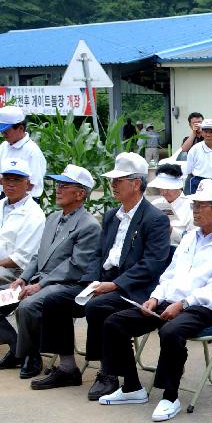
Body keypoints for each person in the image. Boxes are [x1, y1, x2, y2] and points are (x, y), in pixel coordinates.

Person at [97, 180, 212, 422]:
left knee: (171, 330)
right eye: (193, 206)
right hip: (172, 300)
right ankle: (132, 388)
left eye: (200, 206)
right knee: (115, 322)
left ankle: (170, 396)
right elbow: (170, 274)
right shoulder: (190, 238)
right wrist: (155, 297)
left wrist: (184, 303)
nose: (194, 211)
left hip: (207, 307)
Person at [38, 153, 170, 398]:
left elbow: (153, 264)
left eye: (119, 180)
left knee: (98, 306)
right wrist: (90, 281)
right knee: (55, 300)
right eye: (112, 180)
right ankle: (68, 367)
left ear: (136, 183)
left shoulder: (155, 219)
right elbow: (97, 255)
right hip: (103, 282)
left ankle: (108, 373)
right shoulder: (111, 216)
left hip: (133, 287)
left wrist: (115, 284)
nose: (113, 185)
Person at [0, 164, 96, 379]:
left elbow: (75, 266)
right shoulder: (53, 217)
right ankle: (18, 348)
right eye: (57, 184)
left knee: (27, 305)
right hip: (39, 280)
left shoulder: (89, 225)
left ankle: (31, 356)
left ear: (80, 193)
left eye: (64, 185)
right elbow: (37, 255)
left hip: (66, 285)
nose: (57, 189)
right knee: (3, 297)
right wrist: (23, 279)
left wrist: (39, 285)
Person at [0, 158, 45, 285]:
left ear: (28, 184)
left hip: (16, 272)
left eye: (17, 180)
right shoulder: (1, 204)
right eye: (7, 179)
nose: (11, 184)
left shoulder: (35, 215)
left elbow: (20, 259)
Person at [0, 106, 47, 199]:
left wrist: (6, 182)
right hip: (5, 198)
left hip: (26, 201)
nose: (3, 133)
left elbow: (32, 184)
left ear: (20, 128)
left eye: (6, 130)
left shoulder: (33, 151)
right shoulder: (3, 146)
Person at [149, 164, 193, 245]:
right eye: (161, 188)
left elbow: (193, 240)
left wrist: (171, 230)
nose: (164, 192)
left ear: (178, 187)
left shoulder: (191, 207)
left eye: (168, 189)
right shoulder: (155, 204)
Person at [184, 119, 212, 195]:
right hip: (198, 184)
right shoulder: (195, 149)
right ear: (202, 133)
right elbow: (189, 170)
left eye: (211, 132)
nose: (208, 135)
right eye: (206, 132)